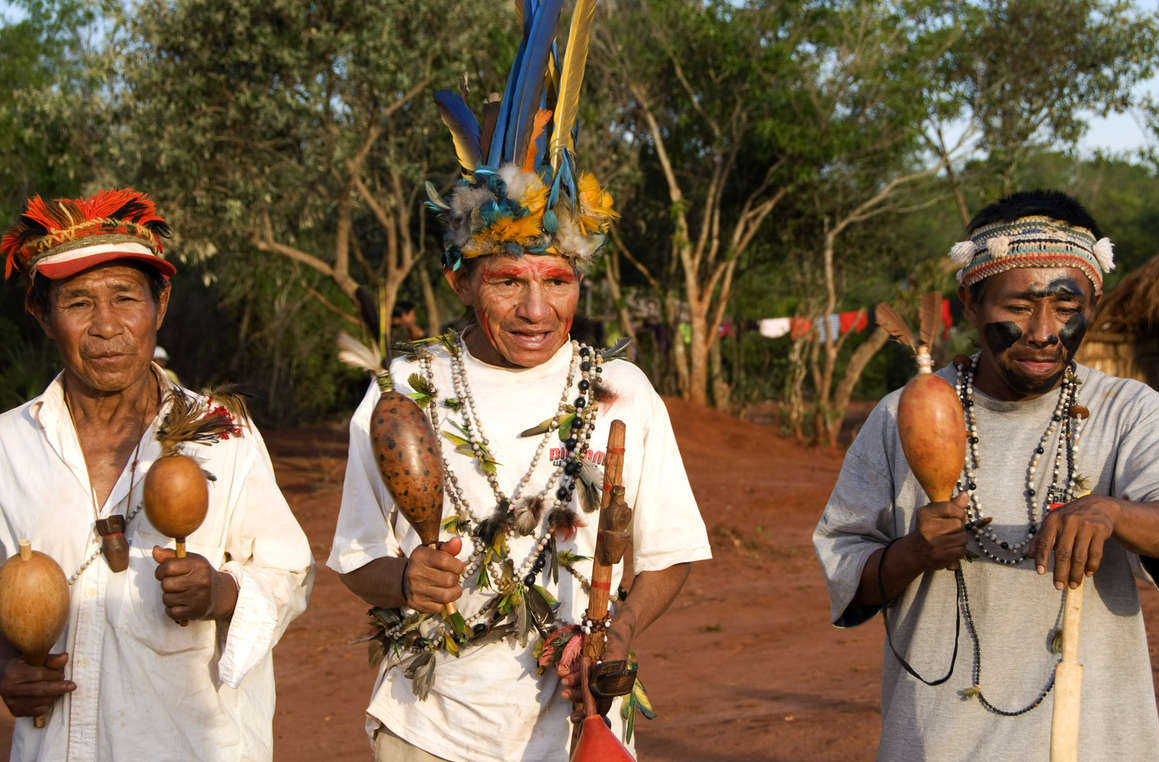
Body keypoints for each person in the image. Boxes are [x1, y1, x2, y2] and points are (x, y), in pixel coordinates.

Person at [327, 7, 711, 761]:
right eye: (508, 280)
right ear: (462, 281)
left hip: (581, 728)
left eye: (558, 280)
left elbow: (668, 556)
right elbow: (355, 558)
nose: (538, 310)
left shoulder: (623, 390)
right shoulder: (407, 386)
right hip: (428, 728)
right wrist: (406, 579)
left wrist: (619, 631)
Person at [814, 190, 1159, 761]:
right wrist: (913, 554)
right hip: (939, 743)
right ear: (970, 302)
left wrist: (1112, 512)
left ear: (1094, 301)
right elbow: (847, 569)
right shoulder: (901, 414)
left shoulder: (1128, 410)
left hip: (1094, 743)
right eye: (1018, 307)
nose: (1044, 330)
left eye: (1067, 308)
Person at [0, 189, 315, 761]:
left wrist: (220, 592)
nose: (106, 326)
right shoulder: (8, 446)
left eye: (125, 297)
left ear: (160, 305)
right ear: (42, 316)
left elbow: (290, 572)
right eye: (77, 304)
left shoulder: (225, 436)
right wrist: (5, 667)